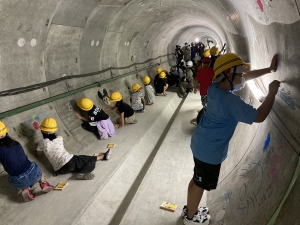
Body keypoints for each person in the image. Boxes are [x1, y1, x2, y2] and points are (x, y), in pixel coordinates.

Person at [183, 53, 279, 225]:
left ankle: (190, 208)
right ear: (228, 73)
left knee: (197, 177)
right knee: (200, 183)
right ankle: (191, 218)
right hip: (209, 151)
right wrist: (272, 93)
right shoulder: (229, 101)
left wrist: (269, 70)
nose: (243, 76)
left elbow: (245, 76)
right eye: (239, 72)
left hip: (201, 143)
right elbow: (259, 116)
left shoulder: (215, 88)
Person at [37, 118, 111, 180]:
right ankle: (84, 171)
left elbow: (38, 154)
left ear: (43, 131)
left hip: (59, 170)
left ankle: (102, 157)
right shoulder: (59, 138)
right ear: (54, 130)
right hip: (68, 161)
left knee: (81, 160)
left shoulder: (42, 143)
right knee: (89, 160)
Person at [0, 121, 54, 202]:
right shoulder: (16, 143)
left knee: (11, 178)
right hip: (33, 173)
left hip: (18, 180)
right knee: (37, 168)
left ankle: (25, 188)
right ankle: (43, 183)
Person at [192, 57, 215, 124]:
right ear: (209, 63)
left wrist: (195, 88)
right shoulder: (211, 70)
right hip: (210, 92)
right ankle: (210, 119)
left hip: (203, 92)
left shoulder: (200, 71)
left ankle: (206, 119)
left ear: (202, 63)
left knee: (205, 105)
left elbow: (196, 80)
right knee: (210, 105)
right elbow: (214, 79)